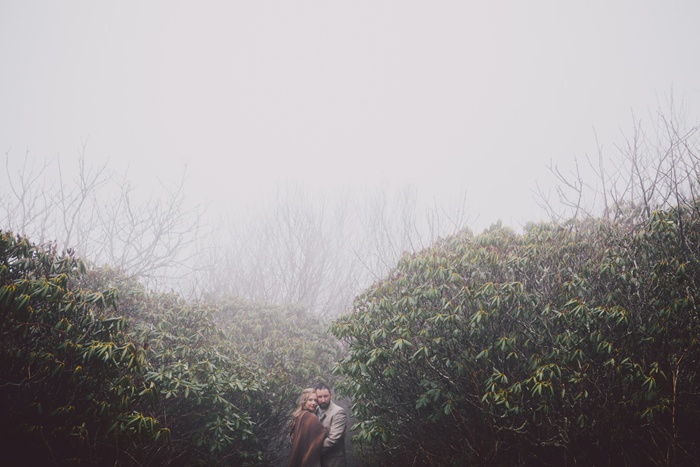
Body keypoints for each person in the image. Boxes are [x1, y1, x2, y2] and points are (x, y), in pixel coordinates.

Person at [287, 388, 326, 467]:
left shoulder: (300, 415)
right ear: (304, 401)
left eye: (315, 400)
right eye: (310, 400)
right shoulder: (310, 417)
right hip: (309, 458)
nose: (313, 403)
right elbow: (321, 433)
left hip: (299, 455)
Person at [314, 382, 347, 467]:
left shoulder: (338, 412)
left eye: (325, 396)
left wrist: (312, 452)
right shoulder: (314, 410)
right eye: (319, 397)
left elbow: (333, 439)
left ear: (330, 395)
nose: (323, 400)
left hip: (334, 462)